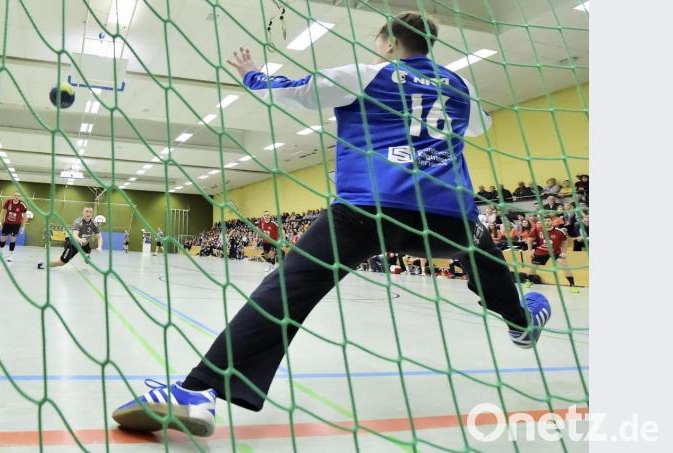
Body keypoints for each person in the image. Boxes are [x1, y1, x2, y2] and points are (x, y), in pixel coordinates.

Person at [112, 11, 551, 437]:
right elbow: (479, 126)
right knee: (481, 251)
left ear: (390, 43)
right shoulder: (460, 85)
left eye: (379, 45)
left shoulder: (369, 74)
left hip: (369, 210)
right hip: (448, 217)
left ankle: (198, 391)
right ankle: (521, 321)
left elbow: (293, 92)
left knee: (285, 292)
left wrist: (251, 75)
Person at [524, 217, 578, 293]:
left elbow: (564, 242)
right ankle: (529, 280)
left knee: (564, 264)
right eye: (544, 221)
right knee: (533, 266)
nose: (546, 222)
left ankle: (572, 285)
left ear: (552, 221)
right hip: (541, 251)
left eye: (548, 221)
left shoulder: (559, 231)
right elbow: (530, 240)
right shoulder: (537, 229)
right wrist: (530, 251)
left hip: (555, 252)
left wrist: (564, 252)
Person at [37, 207, 102, 269]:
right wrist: (80, 239)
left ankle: (86, 255)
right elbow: (74, 235)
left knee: (87, 248)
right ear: (83, 213)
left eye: (90, 212)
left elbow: (99, 237)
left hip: (84, 243)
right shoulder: (78, 222)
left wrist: (99, 247)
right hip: (72, 244)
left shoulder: (94, 223)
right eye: (86, 212)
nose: (88, 213)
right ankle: (43, 263)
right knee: (61, 262)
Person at [0, 192, 27, 262]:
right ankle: (0, 252)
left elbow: (25, 216)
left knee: (12, 239)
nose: (17, 197)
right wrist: (0, 222)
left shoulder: (22, 205)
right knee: (2, 238)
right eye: (15, 195)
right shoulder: (8, 202)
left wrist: (23, 227)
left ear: (20, 197)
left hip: (16, 225)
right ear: (13, 196)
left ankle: (10, 255)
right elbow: (3, 212)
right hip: (7, 223)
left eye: (18, 196)